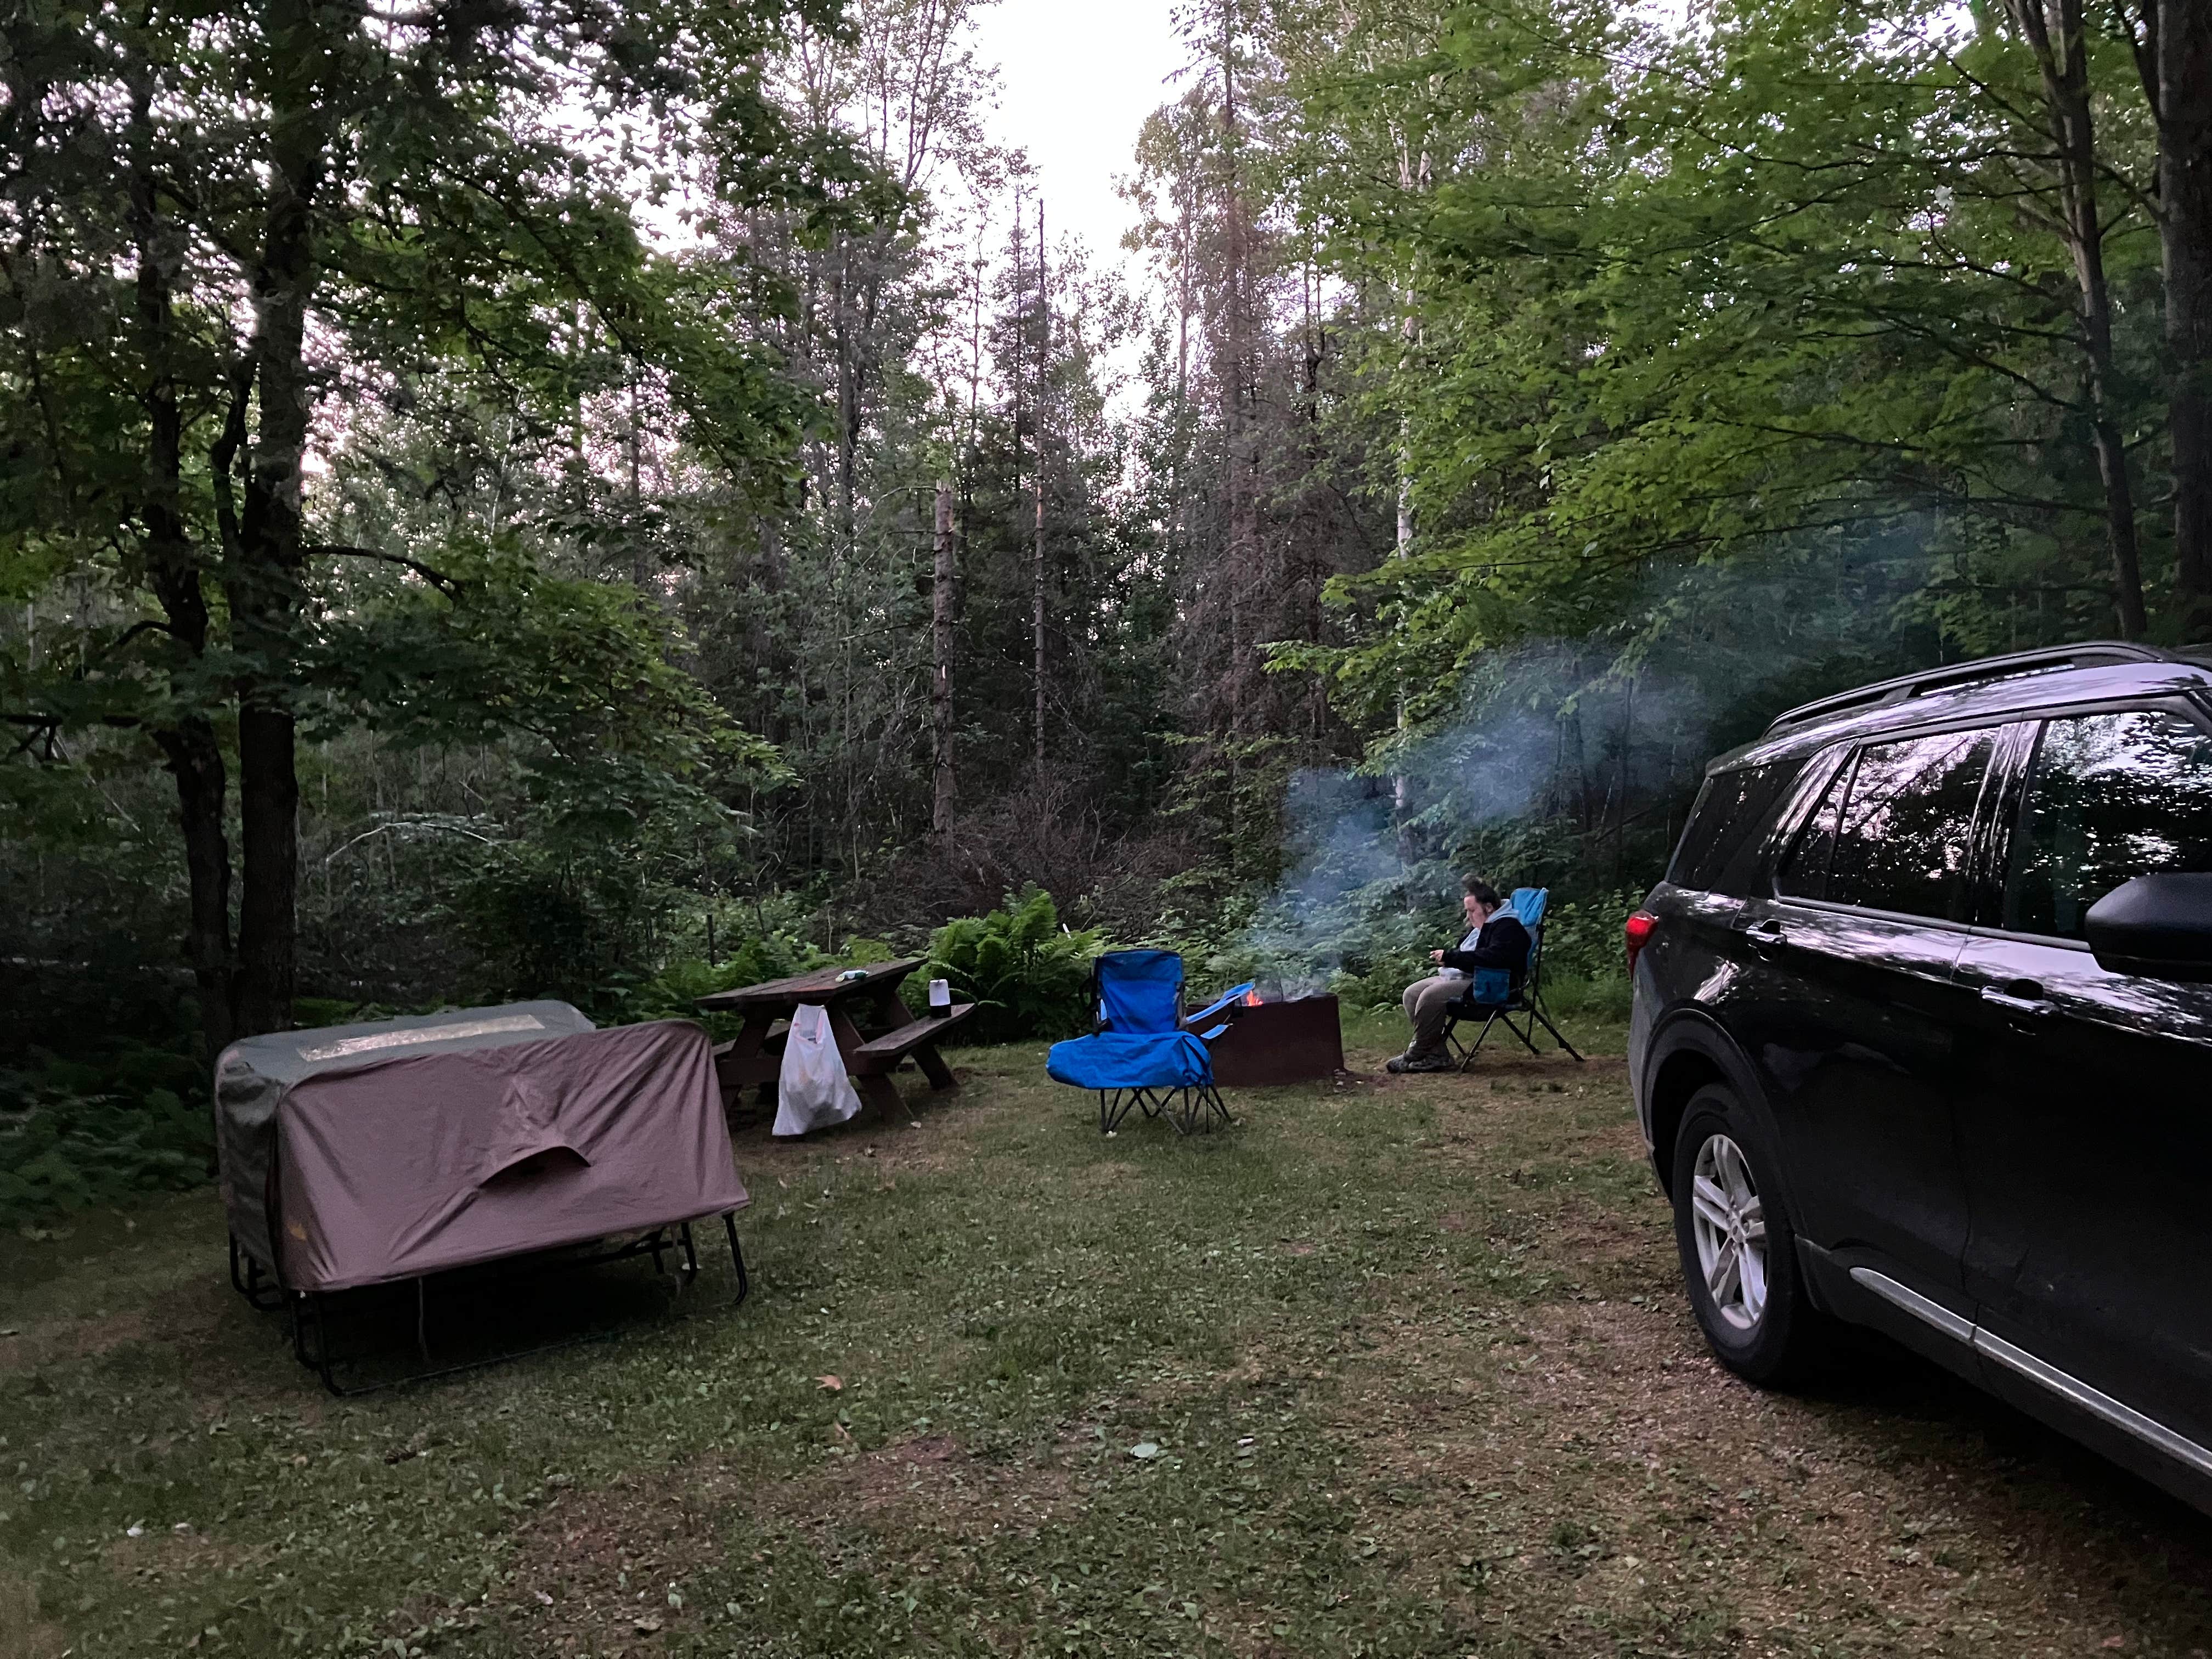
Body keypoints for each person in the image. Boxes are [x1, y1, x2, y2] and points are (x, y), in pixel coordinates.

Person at [1387, 877, 1532, 1074]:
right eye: (1467, 911)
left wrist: (1452, 958)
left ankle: (1415, 1053)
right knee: (1411, 994)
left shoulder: (1508, 928)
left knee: (1430, 997)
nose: (1468, 916)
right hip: (1470, 977)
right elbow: (1469, 954)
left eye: (1472, 911)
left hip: (1493, 986)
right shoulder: (1484, 927)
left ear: (1489, 908)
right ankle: (1437, 1055)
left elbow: (1493, 958)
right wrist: (1450, 958)